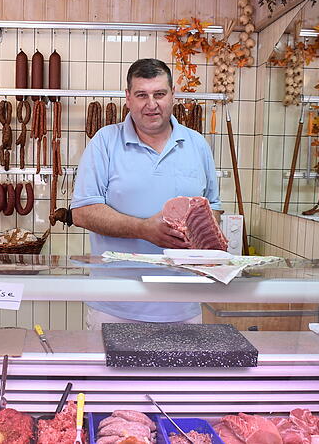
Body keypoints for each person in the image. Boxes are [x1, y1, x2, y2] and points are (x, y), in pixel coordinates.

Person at [71, 58, 221, 330]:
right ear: (128, 98)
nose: (151, 104)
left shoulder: (198, 144)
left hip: (184, 307)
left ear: (173, 95)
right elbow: (82, 212)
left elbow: (214, 208)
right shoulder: (104, 142)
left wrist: (201, 233)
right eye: (142, 95)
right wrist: (144, 229)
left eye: (159, 94)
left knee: (179, 375)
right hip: (115, 307)